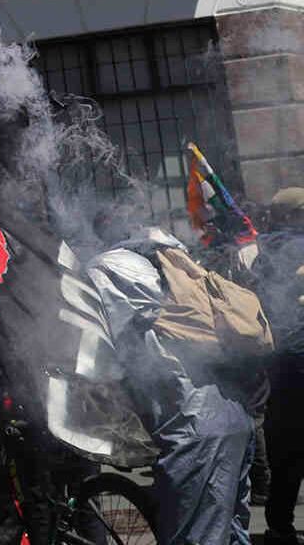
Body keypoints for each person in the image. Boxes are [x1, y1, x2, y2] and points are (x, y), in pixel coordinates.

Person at [87, 228, 255, 545]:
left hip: (197, 432)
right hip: (234, 419)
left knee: (195, 537)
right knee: (233, 534)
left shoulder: (124, 294)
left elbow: (100, 359)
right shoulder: (181, 303)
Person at [253, 188, 304, 545]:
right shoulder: (295, 248)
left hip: (280, 359)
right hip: (297, 354)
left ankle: (280, 528)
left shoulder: (260, 255)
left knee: (287, 449)